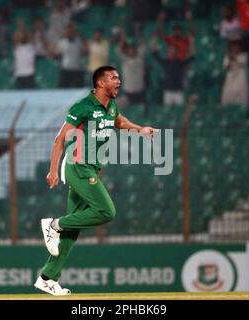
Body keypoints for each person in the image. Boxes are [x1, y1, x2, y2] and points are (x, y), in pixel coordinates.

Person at [34, 66, 157, 295]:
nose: (119, 81)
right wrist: (53, 170)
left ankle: (47, 277)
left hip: (90, 168)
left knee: (73, 229)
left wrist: (141, 129)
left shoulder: (110, 106)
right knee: (106, 212)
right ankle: (53, 225)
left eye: (119, 77)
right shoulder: (82, 107)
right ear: (100, 83)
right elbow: (60, 140)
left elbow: (119, 121)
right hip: (77, 165)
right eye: (113, 78)